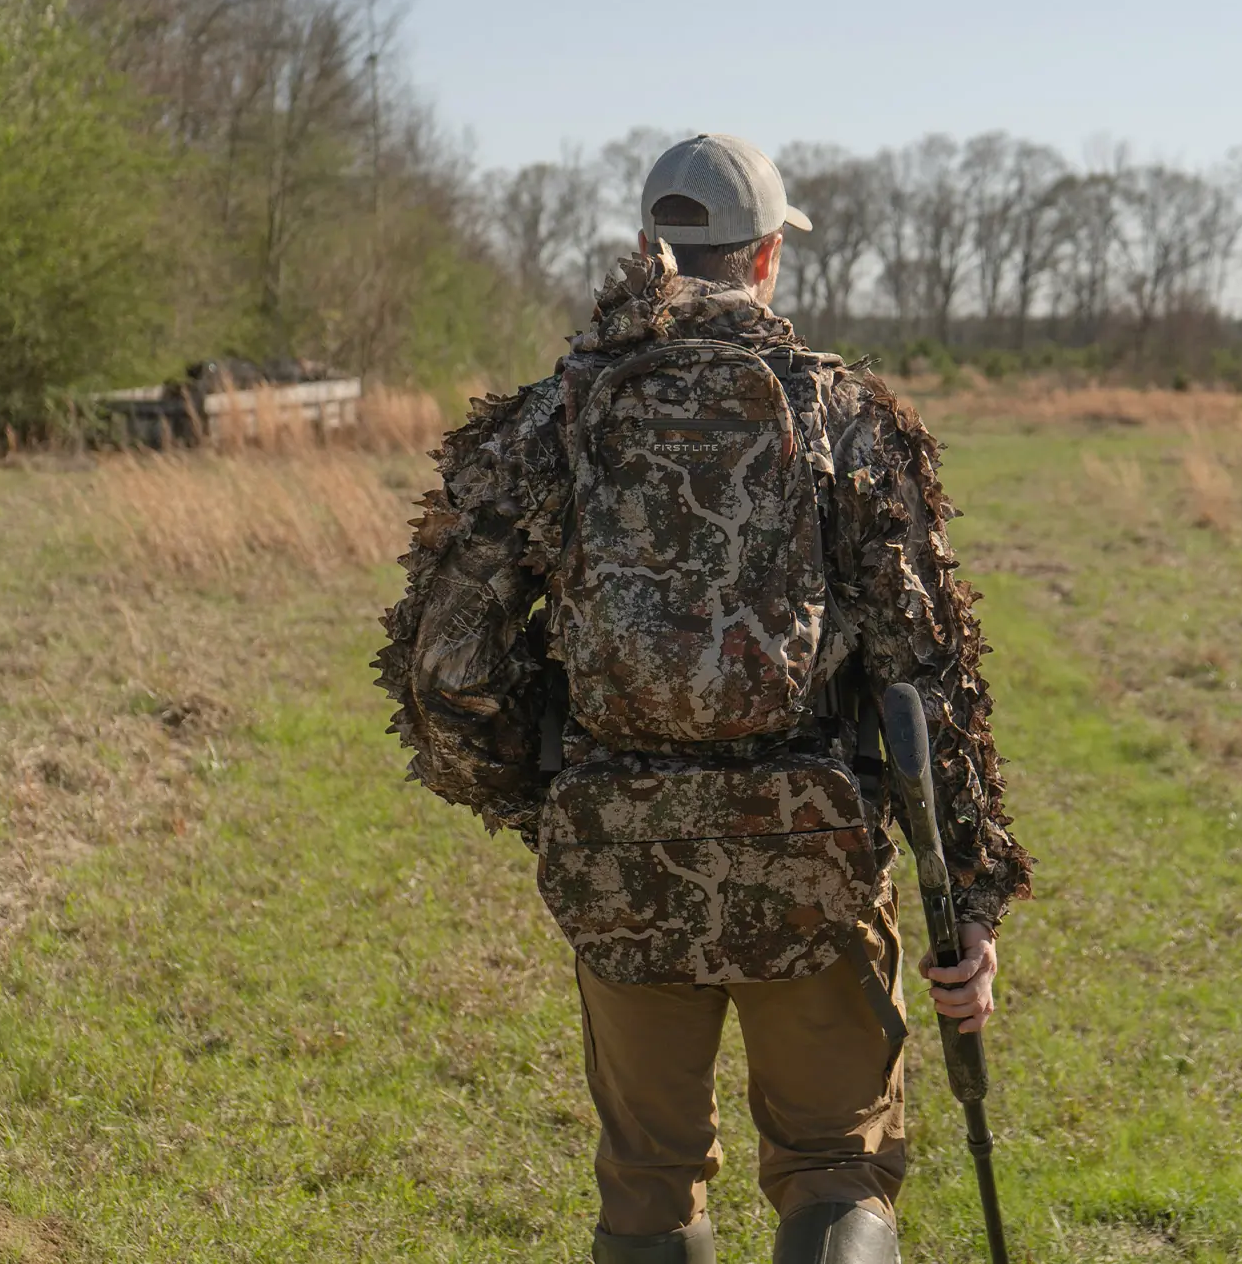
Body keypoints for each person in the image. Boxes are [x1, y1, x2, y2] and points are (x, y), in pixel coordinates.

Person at [377, 133, 1031, 1264]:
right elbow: (924, 670)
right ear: (766, 258)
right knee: (837, 1165)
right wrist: (966, 899)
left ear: (650, 253)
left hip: (619, 864)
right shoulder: (845, 421)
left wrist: (558, 798)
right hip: (813, 858)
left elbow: (448, 670)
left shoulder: (547, 422)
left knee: (648, 1179)